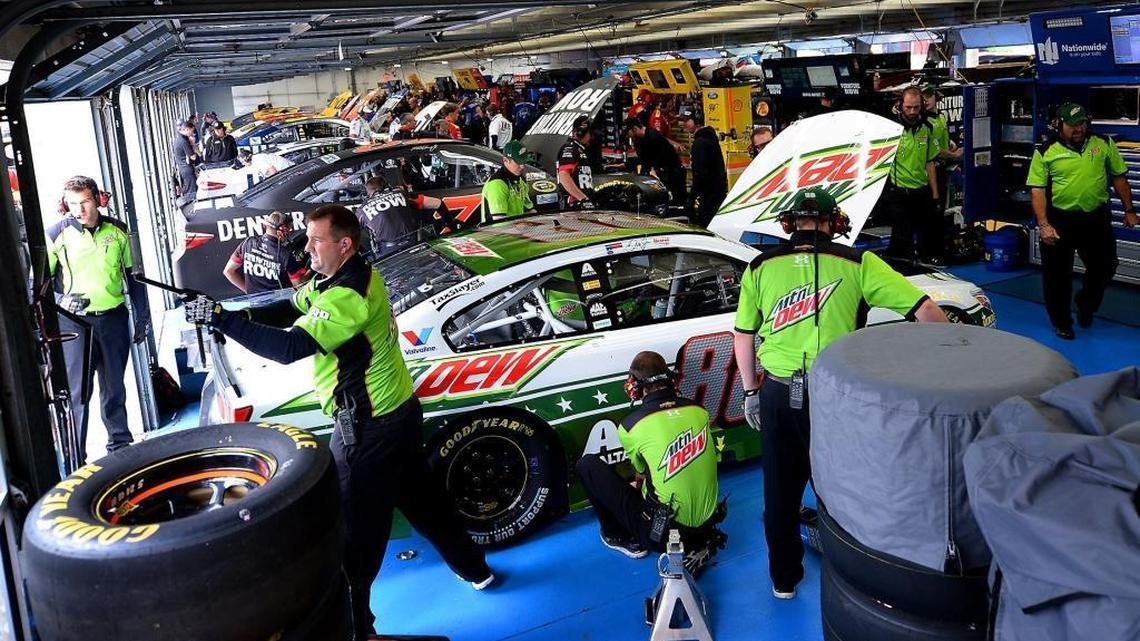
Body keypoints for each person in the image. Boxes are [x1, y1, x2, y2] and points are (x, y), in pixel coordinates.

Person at [183, 205, 493, 641]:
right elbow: (290, 307)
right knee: (426, 504)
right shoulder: (341, 277)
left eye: (315, 240)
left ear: (344, 244)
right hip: (397, 414)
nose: (305, 247)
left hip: (369, 429)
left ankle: (356, 632)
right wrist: (231, 311)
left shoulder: (348, 294)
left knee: (349, 539)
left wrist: (222, 321)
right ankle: (476, 570)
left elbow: (291, 347)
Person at [733, 189, 947, 600]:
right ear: (834, 222)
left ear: (787, 224)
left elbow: (743, 337)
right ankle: (850, 573)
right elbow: (928, 313)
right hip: (836, 394)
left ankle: (784, 580)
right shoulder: (858, 262)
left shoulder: (760, 266)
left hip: (776, 393)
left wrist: (749, 392)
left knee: (778, 491)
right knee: (842, 488)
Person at [575, 351, 720, 559]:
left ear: (634, 385)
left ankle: (616, 535)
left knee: (587, 465)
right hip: (709, 527)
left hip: (663, 536)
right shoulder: (699, 410)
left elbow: (642, 475)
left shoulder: (630, 426)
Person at [48, 176, 148, 461]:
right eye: (72, 204)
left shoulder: (120, 231)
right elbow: (37, 284)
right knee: (79, 392)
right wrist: (61, 300)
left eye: (85, 202)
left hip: (113, 319)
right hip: (74, 324)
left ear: (98, 200)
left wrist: (143, 315)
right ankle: (75, 456)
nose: (79, 210)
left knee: (114, 386)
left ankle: (119, 446)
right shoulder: (55, 233)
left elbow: (135, 276)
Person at [1026, 101, 1137, 340]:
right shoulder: (1045, 151)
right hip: (1059, 220)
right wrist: (1044, 225)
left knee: (1106, 266)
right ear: (1059, 124)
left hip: (1095, 218)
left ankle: (1086, 304)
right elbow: (1037, 190)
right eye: (1073, 125)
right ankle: (1062, 321)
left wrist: (1129, 209)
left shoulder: (1103, 144)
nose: (1079, 129)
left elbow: (1119, 177)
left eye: (1082, 124)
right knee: (1057, 276)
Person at [880, 86, 942, 263]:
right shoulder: (891, 129)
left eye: (916, 107)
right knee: (902, 233)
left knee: (926, 233)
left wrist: (935, 195)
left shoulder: (928, 128)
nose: (912, 111)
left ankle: (923, 263)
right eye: (908, 107)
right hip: (898, 191)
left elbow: (930, 162)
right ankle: (899, 264)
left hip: (921, 190)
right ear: (901, 105)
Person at [355, 176, 446, 261]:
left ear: (368, 193)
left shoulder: (362, 209)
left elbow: (351, 233)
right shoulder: (400, 193)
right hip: (412, 245)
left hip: (387, 253)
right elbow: (437, 203)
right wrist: (450, 226)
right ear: (387, 186)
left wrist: (365, 255)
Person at [222, 211, 308, 294]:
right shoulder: (285, 255)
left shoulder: (247, 243)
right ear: (282, 229)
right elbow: (299, 286)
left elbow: (228, 272)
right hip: (280, 305)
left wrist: (249, 292)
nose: (290, 232)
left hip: (254, 305)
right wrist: (311, 271)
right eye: (289, 229)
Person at [625, 116, 687, 205]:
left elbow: (663, 156)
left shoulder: (653, 136)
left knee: (676, 201)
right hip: (661, 172)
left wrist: (654, 170)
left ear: (634, 129)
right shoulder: (640, 140)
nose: (629, 136)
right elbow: (644, 160)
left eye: (629, 133)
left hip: (672, 172)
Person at [683, 114, 727, 228]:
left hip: (708, 193)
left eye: (687, 120)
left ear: (695, 122)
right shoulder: (710, 138)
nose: (684, 124)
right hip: (718, 189)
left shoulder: (700, 143)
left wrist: (692, 196)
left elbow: (700, 173)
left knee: (706, 224)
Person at [480, 140, 536, 222]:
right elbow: (499, 222)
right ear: (506, 160)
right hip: (496, 233)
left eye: (524, 162)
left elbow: (529, 211)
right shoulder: (497, 184)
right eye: (518, 162)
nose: (522, 166)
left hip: (517, 231)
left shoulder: (521, 180)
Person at [556, 115, 597, 209]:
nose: (592, 136)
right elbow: (564, 176)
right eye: (590, 133)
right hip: (575, 206)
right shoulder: (570, 148)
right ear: (581, 133)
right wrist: (583, 199)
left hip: (582, 204)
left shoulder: (578, 149)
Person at [172, 119, 201, 211]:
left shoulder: (178, 139)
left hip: (183, 168)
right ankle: (192, 210)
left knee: (190, 189)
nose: (192, 134)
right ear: (186, 129)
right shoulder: (184, 141)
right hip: (187, 169)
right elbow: (193, 157)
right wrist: (193, 145)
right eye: (191, 131)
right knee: (192, 192)